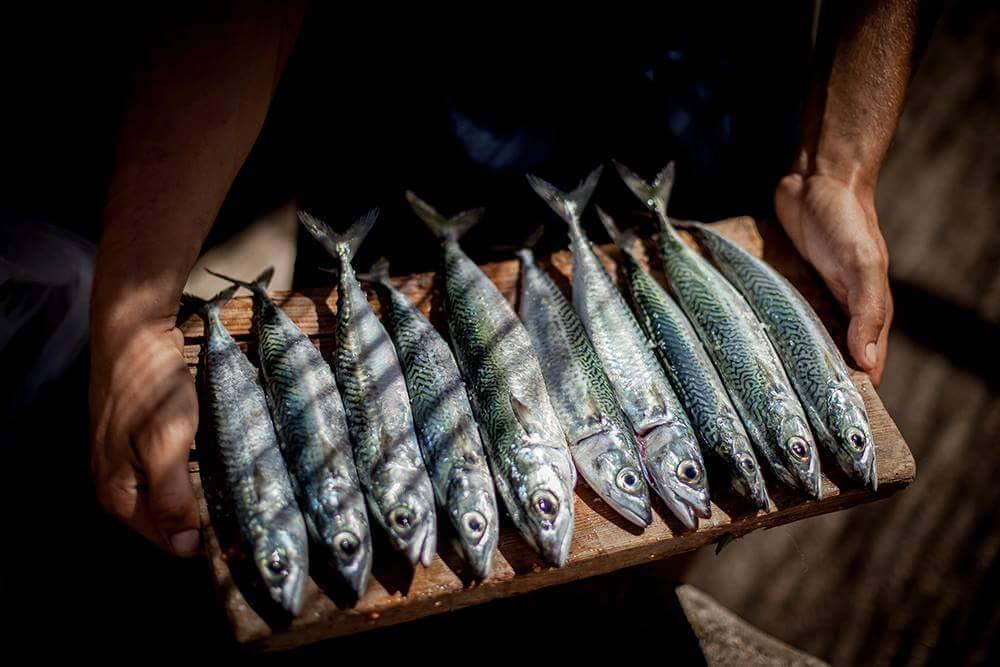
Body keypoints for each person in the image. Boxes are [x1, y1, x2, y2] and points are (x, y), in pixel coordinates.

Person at [89, 3, 926, 557]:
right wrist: (135, 310)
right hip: (423, 65)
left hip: (705, 65)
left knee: (676, 542)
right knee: (365, 293)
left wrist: (839, 164)